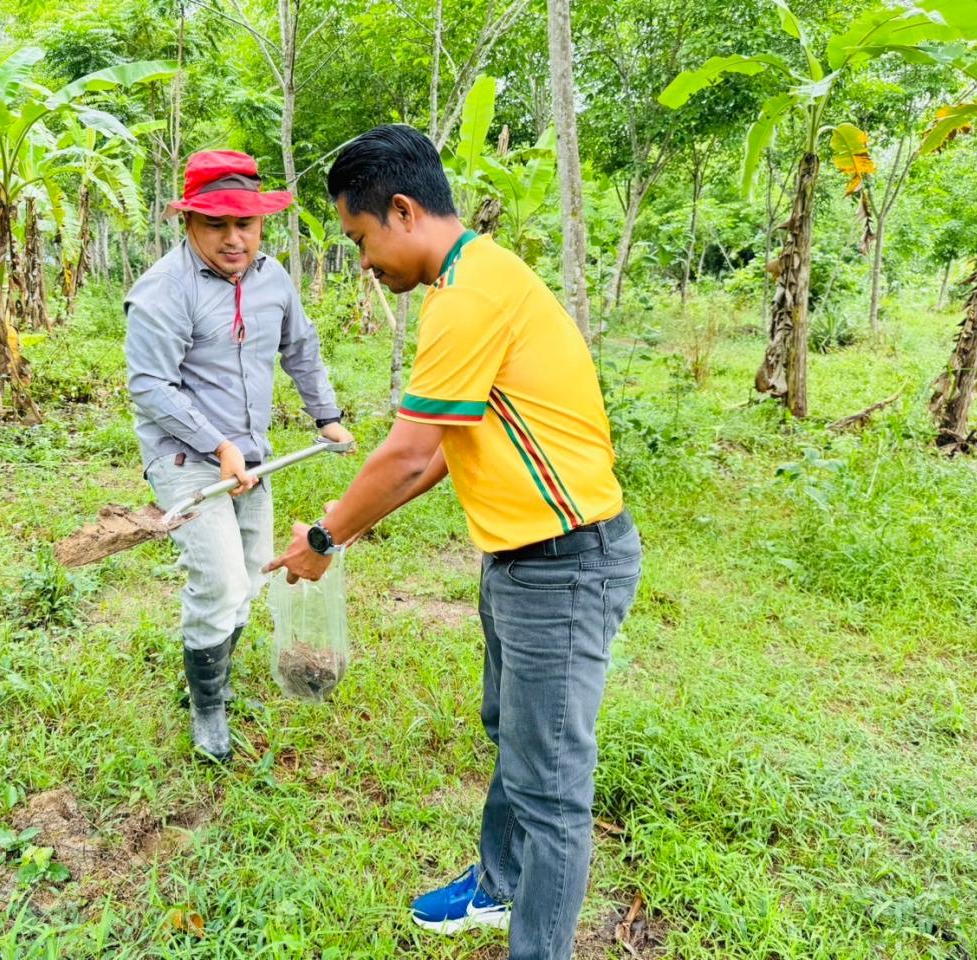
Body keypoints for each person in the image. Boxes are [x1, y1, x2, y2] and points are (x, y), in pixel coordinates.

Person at [264, 125, 641, 960]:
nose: (362, 261)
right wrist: (341, 519)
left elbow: (403, 456)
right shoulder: (464, 282)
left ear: (402, 211)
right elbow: (435, 449)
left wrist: (327, 536)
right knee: (509, 725)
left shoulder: (472, 293)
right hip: (520, 556)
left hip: (566, 563)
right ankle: (499, 885)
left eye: (361, 239)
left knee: (551, 790)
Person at [124, 149, 354, 761]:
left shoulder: (273, 279)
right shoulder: (163, 291)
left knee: (250, 576)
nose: (234, 240)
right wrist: (217, 445)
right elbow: (150, 386)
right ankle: (207, 709)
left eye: (244, 225)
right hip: (186, 459)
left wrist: (326, 417)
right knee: (220, 577)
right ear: (189, 224)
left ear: (260, 224)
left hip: (252, 458)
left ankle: (216, 682)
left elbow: (300, 349)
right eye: (216, 225)